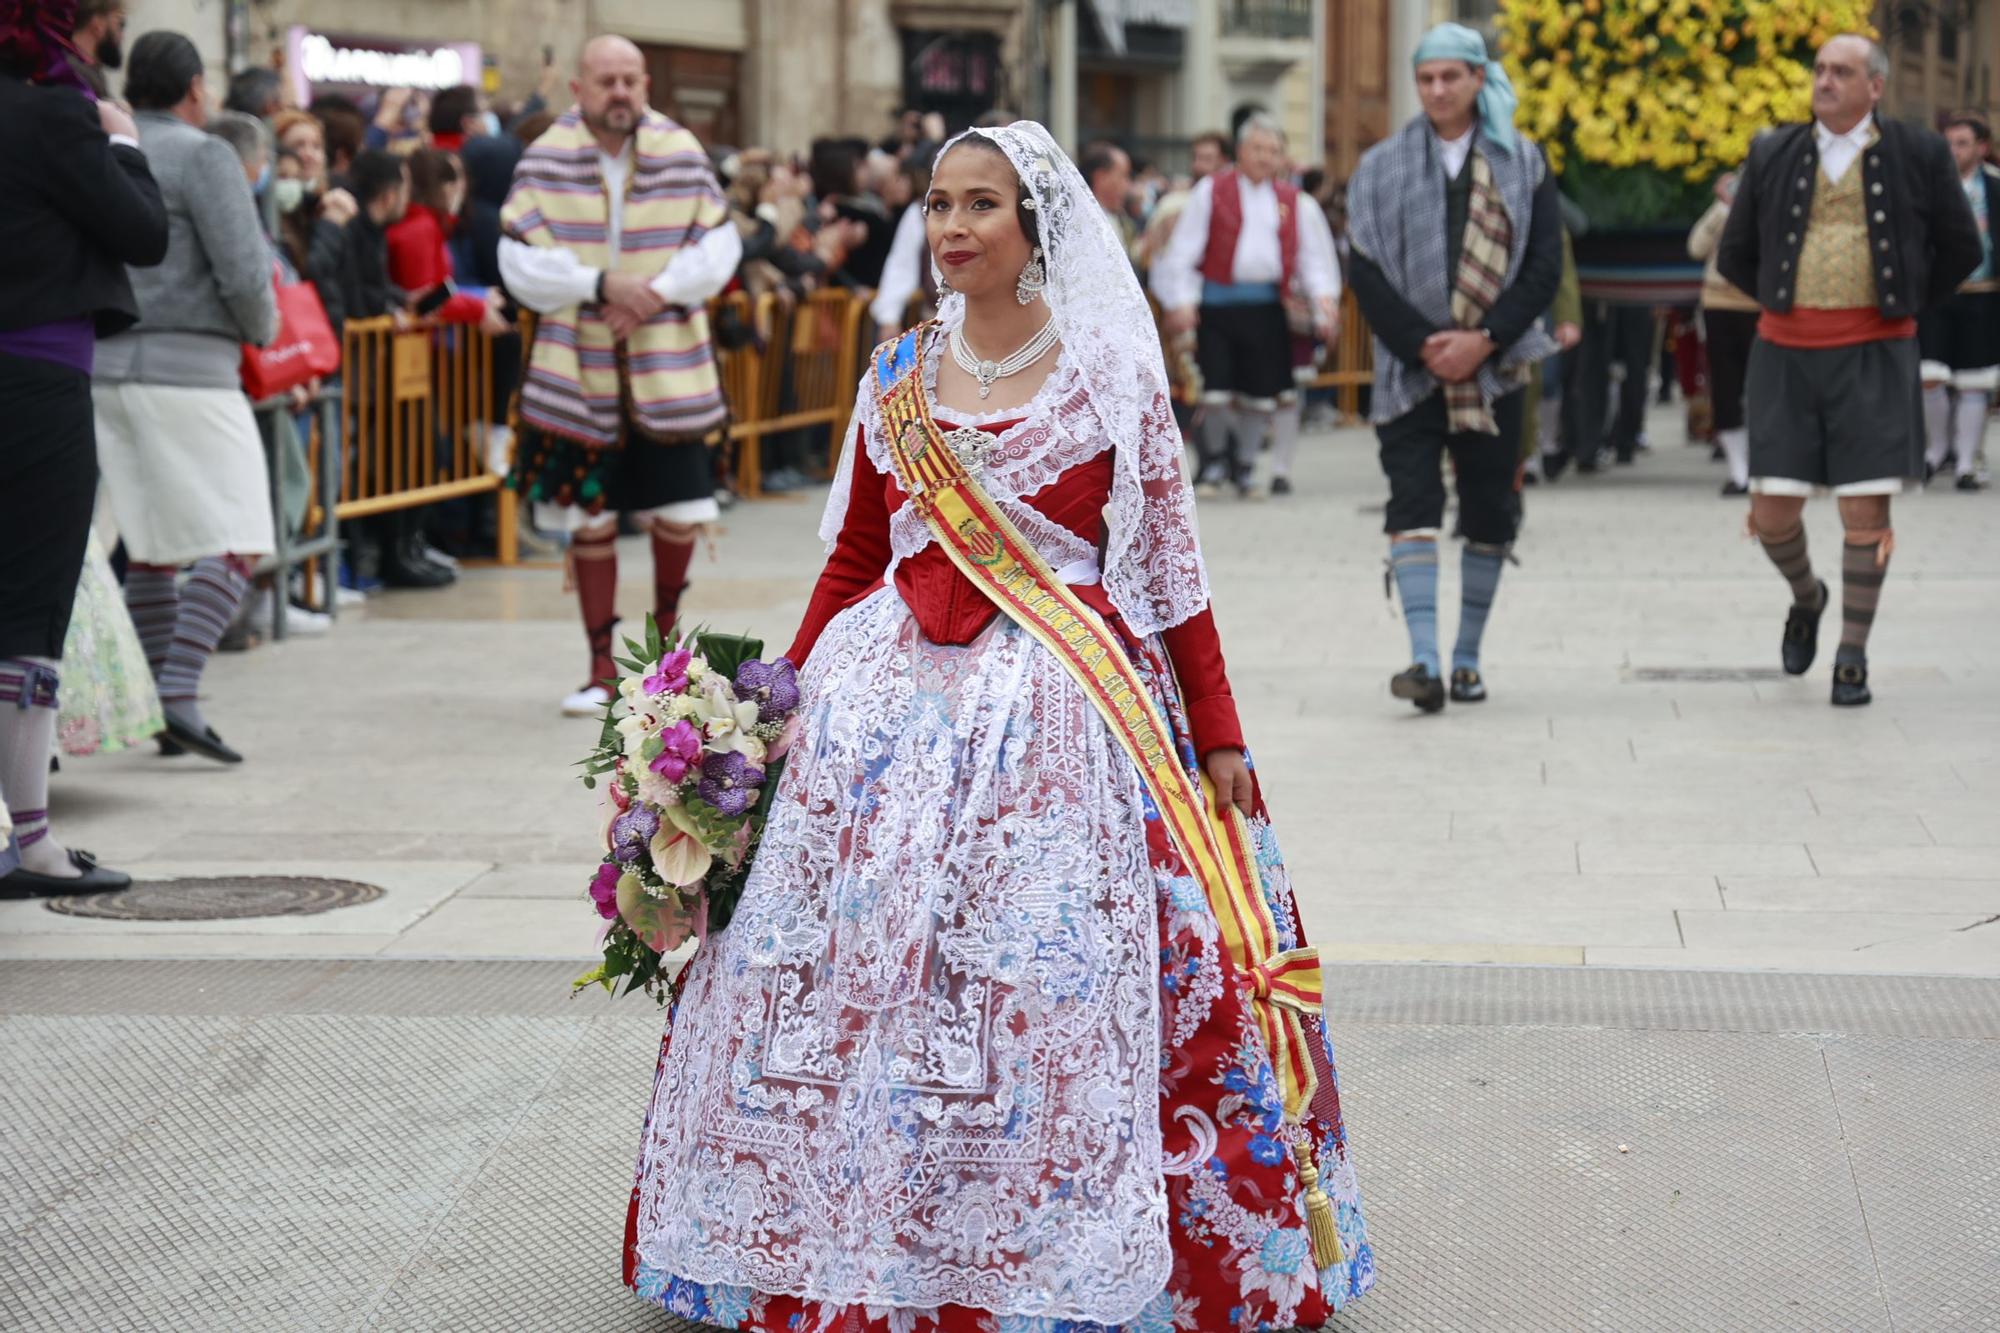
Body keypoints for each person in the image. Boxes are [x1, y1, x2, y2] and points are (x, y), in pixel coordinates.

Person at [622, 118, 1375, 1328]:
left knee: (1037, 976)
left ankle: (1037, 1244)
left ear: (1035, 232)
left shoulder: (1111, 377)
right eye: (937, 204)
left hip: (1063, 716)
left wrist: (1220, 731)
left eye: (980, 206)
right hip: (877, 720)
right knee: (841, 979)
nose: (951, 229)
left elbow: (1172, 575)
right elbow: (859, 554)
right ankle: (829, 1239)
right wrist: (774, 710)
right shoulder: (894, 377)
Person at [1718, 34, 1981, 706]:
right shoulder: (1773, 150)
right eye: (1820, 70)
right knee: (1772, 510)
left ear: (1876, 86)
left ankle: (1852, 655)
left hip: (1875, 348)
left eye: (1842, 71)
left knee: (1865, 508)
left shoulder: (1918, 152)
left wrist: (1905, 304)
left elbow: (1961, 245)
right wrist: (1786, 303)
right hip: (1784, 349)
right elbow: (1736, 252)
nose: (1826, 80)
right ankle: (1808, 597)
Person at [499, 35, 743, 716]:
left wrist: (654, 292)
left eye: (632, 80)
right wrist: (599, 282)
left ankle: (668, 657)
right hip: (578, 368)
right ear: (578, 89)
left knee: (677, 511)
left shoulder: (680, 149)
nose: (621, 93)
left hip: (667, 361)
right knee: (588, 517)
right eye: (607, 80)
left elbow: (719, 244)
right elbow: (516, 259)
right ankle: (601, 667)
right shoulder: (545, 156)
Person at [1345, 23, 1562, 712]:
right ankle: (1425, 660)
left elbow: (1543, 267)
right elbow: (1367, 267)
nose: (1437, 90)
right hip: (1410, 371)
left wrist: (1486, 340)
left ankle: (1467, 657)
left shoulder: (1522, 163)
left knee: (1490, 510)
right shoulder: (1381, 165)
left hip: (1496, 372)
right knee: (1411, 502)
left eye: (1452, 77)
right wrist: (1426, 344)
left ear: (1477, 80)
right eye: (1427, 78)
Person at [0, 0, 166, 894]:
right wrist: (125, 140)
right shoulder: (56, 114)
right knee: (28, 615)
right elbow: (143, 231)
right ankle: (28, 840)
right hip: (33, 379)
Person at [90, 30, 278, 765]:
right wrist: (263, 328)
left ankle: (163, 702)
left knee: (154, 545)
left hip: (105, 361)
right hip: (192, 368)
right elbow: (241, 267)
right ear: (197, 88)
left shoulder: (108, 149)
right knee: (240, 532)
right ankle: (179, 691)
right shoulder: (207, 155)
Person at [1154, 115, 1340, 498]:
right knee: (1216, 393)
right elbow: (1184, 251)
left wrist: (1325, 304)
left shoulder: (1295, 203)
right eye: (1258, 149)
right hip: (1218, 308)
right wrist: (1182, 301)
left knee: (1261, 397)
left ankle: (1246, 465)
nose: (1265, 157)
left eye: (1273, 151)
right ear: (1240, 151)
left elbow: (1314, 260)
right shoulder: (1212, 192)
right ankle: (1218, 458)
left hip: (1268, 310)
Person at [1917, 114, 1999, 492]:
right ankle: (1937, 450)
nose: (1953, 151)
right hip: (1938, 293)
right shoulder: (1928, 187)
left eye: (1962, 143)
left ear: (1982, 147)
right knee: (1930, 377)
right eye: (1948, 143)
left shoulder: (1996, 189)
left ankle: (1966, 463)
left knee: (1974, 383)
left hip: (1983, 295)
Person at [1688, 172, 1758, 495]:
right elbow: (1696, 247)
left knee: (1761, 386)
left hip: (1760, 305)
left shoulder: (1767, 205)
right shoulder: (1721, 212)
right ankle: (1738, 469)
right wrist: (1722, 208)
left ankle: (1761, 464)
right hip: (1719, 303)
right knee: (1725, 386)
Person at [64, 0, 117, 96]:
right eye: (120, 24)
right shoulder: (77, 76)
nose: (121, 36)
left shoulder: (66, 66)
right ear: (98, 25)